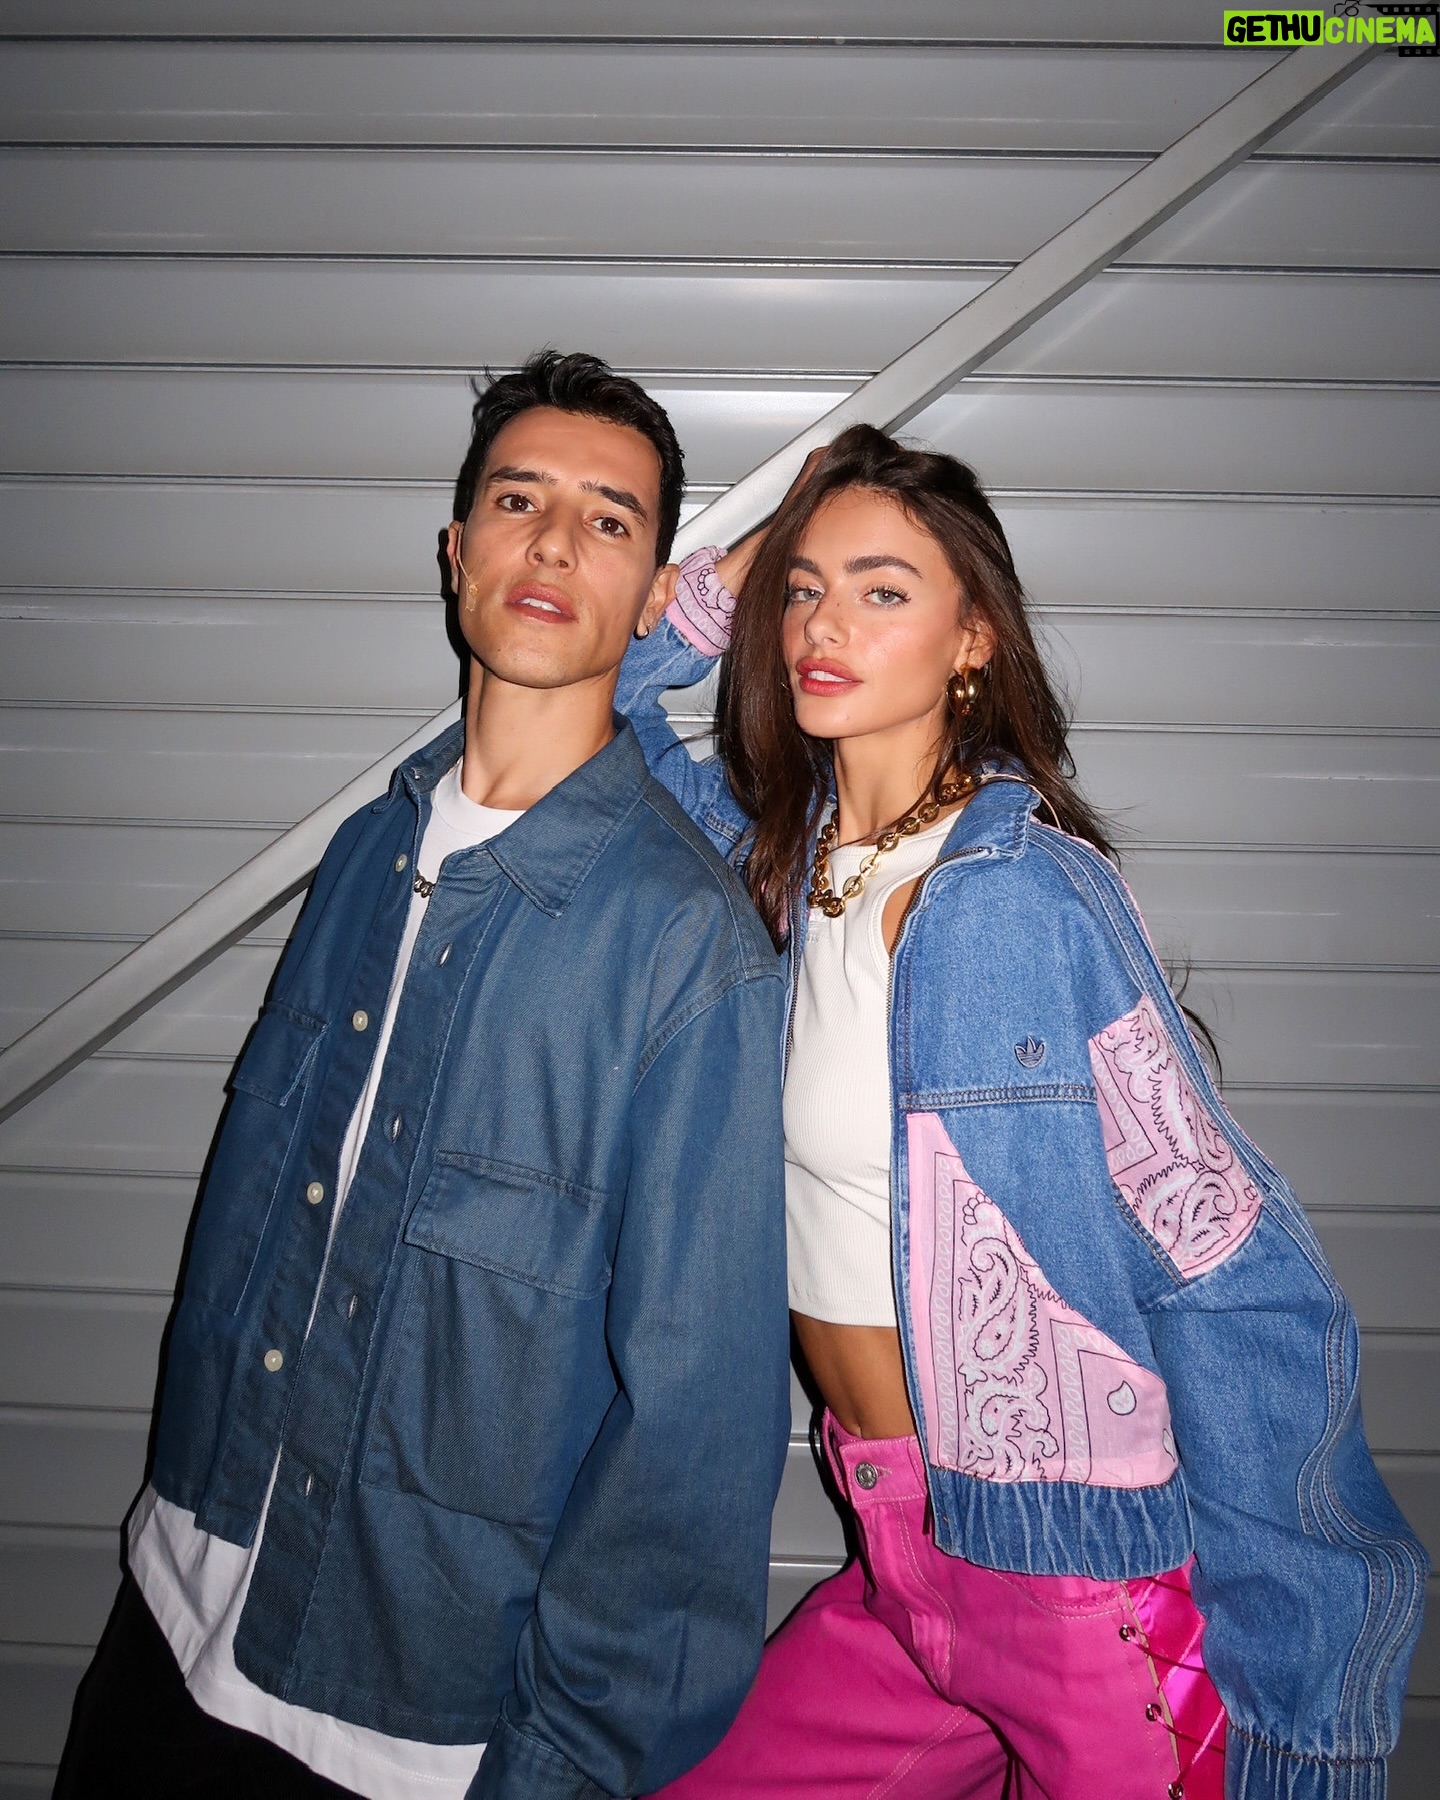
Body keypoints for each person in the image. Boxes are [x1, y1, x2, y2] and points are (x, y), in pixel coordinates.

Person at [616, 423, 1429, 1800]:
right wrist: (738, 569)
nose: (823, 625)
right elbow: (606, 723)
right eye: (805, 591)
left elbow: (1222, 1261)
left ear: (973, 639)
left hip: (1076, 1588)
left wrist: (1312, 1675)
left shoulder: (1017, 898)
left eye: (883, 590)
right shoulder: (785, 869)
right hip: (902, 1551)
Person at [55, 352, 791, 1800]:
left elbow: (696, 1441)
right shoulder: (361, 855)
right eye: (518, 501)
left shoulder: (687, 949)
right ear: (457, 552)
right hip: (166, 1617)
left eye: (608, 520)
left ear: (658, 597)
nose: (554, 543)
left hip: (400, 1733)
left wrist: (565, 1766)